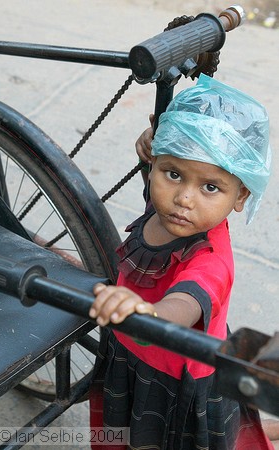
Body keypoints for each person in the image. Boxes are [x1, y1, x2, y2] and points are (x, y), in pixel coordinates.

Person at [88, 74, 274, 449]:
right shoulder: (164, 203)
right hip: (129, 352)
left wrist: (146, 312)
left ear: (240, 197)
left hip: (173, 379)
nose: (184, 199)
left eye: (210, 187)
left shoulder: (211, 260)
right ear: (154, 163)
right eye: (173, 174)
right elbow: (158, 161)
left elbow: (183, 305)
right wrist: (151, 140)